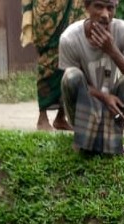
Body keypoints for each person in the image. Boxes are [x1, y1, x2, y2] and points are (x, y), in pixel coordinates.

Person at [57, 0, 124, 155]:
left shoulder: (123, 30)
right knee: (70, 76)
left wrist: (113, 51)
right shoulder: (69, 38)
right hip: (87, 105)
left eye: (110, 8)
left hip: (114, 107)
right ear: (87, 7)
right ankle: (85, 138)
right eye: (98, 6)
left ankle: (111, 136)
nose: (105, 15)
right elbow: (74, 83)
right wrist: (105, 97)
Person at [20, 0, 78, 132]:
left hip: (73, 4)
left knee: (70, 54)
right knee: (48, 57)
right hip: (48, 8)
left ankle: (61, 117)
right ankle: (42, 117)